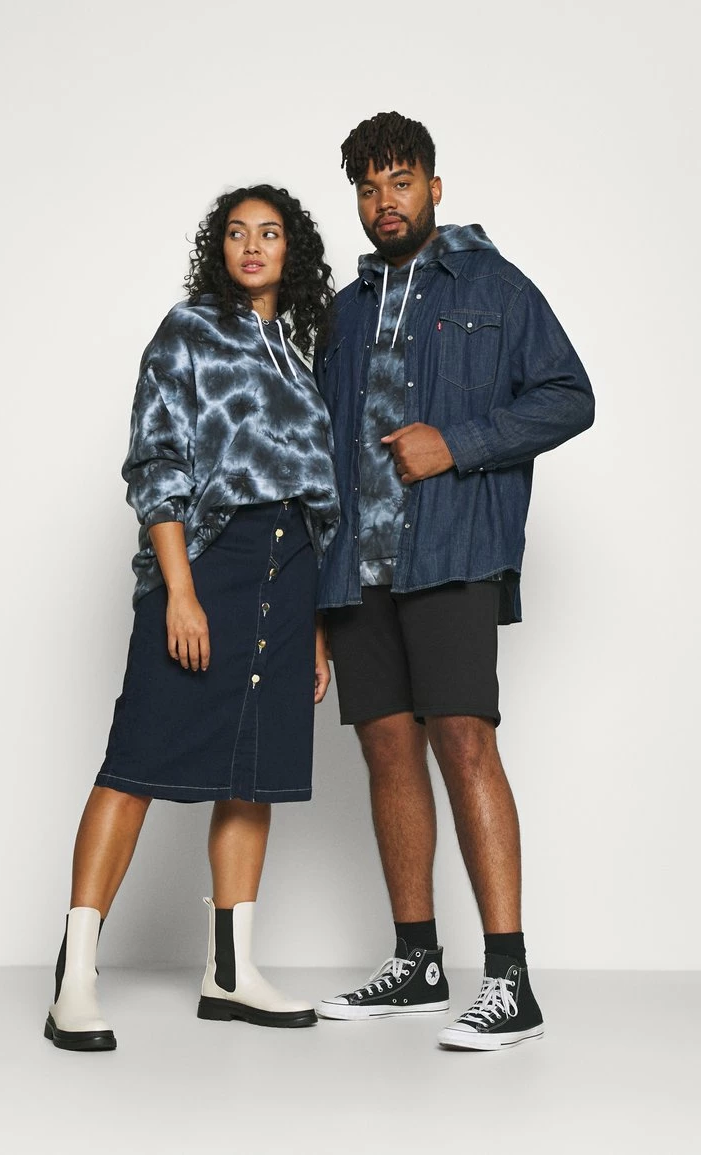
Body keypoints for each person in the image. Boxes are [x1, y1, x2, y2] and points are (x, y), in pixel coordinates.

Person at [314, 112, 594, 1050]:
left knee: (464, 742)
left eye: (401, 182)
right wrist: (315, 599)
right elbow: (320, 453)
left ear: (434, 188)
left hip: (451, 552)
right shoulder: (343, 312)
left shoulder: (494, 286)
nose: (384, 202)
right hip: (359, 566)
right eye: (368, 188)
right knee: (388, 750)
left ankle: (510, 980)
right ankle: (417, 963)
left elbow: (570, 395)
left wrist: (458, 444)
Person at [44, 184, 339, 1051]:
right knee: (135, 762)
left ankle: (231, 972)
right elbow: (157, 461)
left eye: (270, 233)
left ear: (291, 252)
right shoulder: (188, 332)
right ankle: (76, 976)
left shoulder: (299, 356)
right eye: (237, 233)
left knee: (253, 773)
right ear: (220, 248)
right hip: (209, 562)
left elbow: (321, 500)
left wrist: (317, 626)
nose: (252, 246)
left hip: (289, 574)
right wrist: (179, 587)